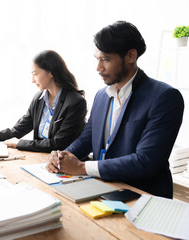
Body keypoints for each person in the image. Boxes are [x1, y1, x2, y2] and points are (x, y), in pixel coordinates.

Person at [46, 21, 184, 199]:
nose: (98, 68)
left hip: (143, 198)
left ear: (131, 56)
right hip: (104, 190)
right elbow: (87, 138)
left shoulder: (165, 97)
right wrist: (62, 156)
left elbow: (146, 161)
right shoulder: (101, 95)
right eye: (97, 59)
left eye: (105, 59)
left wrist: (81, 167)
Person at [0, 50, 87, 153]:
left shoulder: (75, 102)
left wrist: (19, 143)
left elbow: (58, 144)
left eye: (35, 74)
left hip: (63, 164)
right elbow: (16, 131)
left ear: (50, 72)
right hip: (41, 159)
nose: (32, 80)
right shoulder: (39, 98)